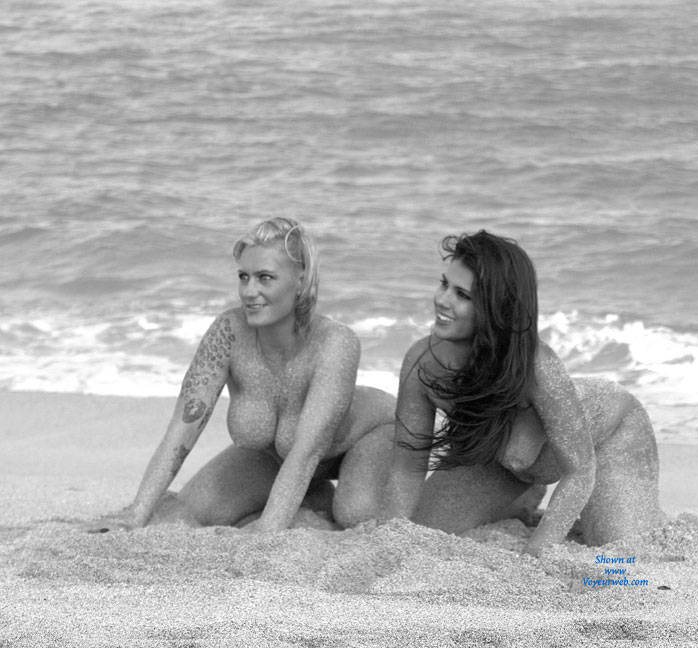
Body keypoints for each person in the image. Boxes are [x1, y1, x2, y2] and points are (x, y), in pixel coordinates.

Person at [92, 217, 395, 532]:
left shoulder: (335, 343)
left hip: (370, 437)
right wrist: (136, 514)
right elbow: (181, 430)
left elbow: (307, 453)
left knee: (355, 513)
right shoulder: (228, 332)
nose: (250, 291)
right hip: (276, 459)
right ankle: (313, 497)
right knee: (193, 509)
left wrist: (267, 531)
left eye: (265, 278)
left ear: (301, 280)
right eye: (244, 277)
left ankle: (321, 499)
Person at [385, 230, 664, 556]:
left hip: (606, 440)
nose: (442, 300)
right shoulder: (423, 362)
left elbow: (579, 470)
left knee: (623, 549)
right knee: (422, 527)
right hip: (503, 464)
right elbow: (407, 467)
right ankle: (526, 494)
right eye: (444, 284)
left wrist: (536, 554)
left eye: (462, 294)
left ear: (495, 308)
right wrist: (389, 536)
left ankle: (634, 506)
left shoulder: (538, 367)